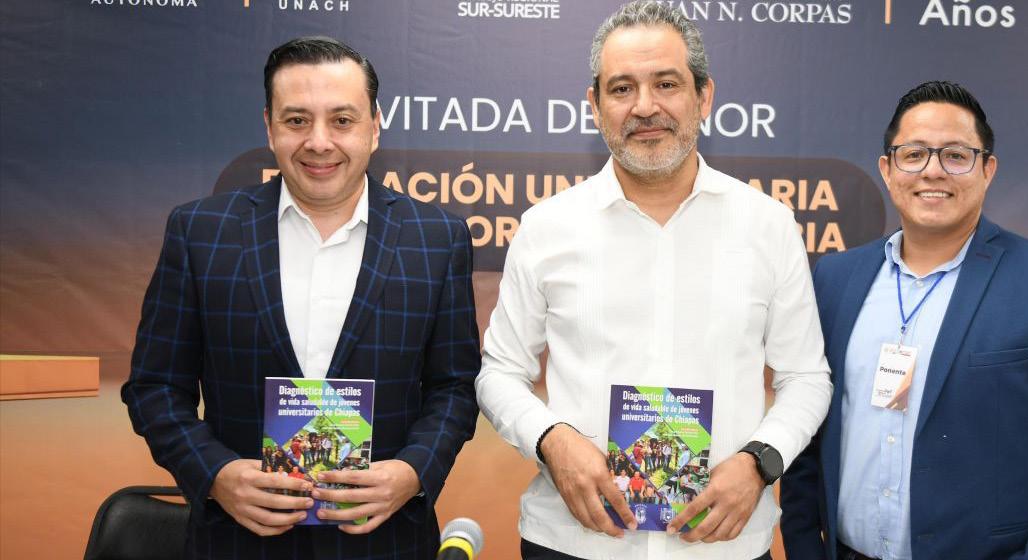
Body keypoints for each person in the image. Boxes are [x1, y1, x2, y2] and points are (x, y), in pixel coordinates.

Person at [475, 2, 831, 559]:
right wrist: (551, 442)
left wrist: (760, 462)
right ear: (595, 106)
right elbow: (499, 372)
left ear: (703, 97)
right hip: (575, 542)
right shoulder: (546, 228)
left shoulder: (768, 226)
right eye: (622, 89)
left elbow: (806, 377)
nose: (645, 107)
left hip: (723, 545)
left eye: (666, 84)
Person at [122, 36, 480, 559]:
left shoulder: (438, 239)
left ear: (375, 127)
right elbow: (153, 388)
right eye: (296, 120)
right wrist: (215, 474)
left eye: (342, 120)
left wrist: (412, 472)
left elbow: (455, 388)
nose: (319, 142)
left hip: (384, 543)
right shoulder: (200, 232)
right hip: (238, 542)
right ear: (269, 126)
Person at [779, 81, 1028, 559]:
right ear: (887, 170)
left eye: (955, 155)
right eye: (914, 155)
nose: (933, 170)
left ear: (987, 170)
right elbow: (809, 429)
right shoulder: (836, 278)